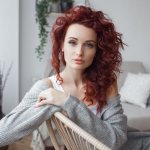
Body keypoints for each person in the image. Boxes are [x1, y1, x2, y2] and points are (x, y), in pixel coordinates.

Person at [0, 5, 150, 150]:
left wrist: (66, 102)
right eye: (72, 42)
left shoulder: (106, 83)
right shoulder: (49, 88)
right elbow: (3, 133)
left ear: (97, 51)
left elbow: (116, 140)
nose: (79, 52)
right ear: (62, 45)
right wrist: (53, 104)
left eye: (89, 45)